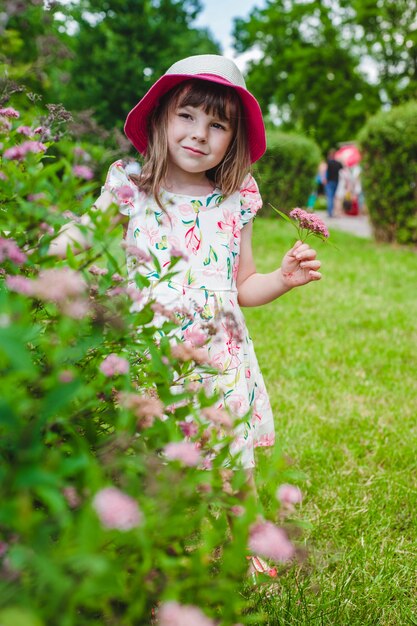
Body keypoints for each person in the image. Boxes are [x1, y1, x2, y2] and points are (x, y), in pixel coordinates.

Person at [52, 54, 322, 569]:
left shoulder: (236, 197)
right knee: (152, 459)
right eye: (187, 116)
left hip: (218, 357)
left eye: (217, 124)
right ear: (160, 119)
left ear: (233, 138)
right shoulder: (132, 183)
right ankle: (161, 555)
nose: (199, 133)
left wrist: (282, 280)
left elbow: (243, 284)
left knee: (230, 460)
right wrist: (43, 253)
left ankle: (250, 537)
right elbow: (84, 232)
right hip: (149, 349)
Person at [324, 149, 343, 217]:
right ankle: (331, 212)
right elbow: (342, 167)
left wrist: (325, 179)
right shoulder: (338, 163)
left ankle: (330, 213)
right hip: (336, 182)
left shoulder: (329, 163)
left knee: (330, 197)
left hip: (329, 182)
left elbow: (327, 172)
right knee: (333, 197)